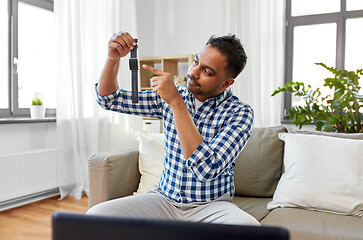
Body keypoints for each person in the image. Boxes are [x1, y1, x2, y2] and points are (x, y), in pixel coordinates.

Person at [87, 31, 258, 226]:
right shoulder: (170, 96)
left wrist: (176, 103)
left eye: (207, 72)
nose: (193, 72)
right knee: (96, 216)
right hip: (164, 201)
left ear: (226, 84)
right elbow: (109, 99)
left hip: (211, 207)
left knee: (252, 230)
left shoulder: (240, 113)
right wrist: (113, 59)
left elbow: (207, 170)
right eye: (195, 62)